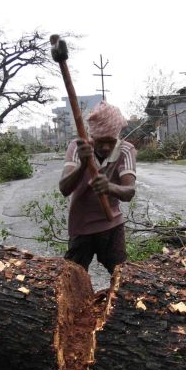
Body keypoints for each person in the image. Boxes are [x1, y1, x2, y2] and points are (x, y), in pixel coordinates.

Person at [58, 101, 137, 274]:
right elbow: (64, 188)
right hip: (81, 226)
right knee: (72, 277)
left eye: (111, 141)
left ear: (117, 137)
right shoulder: (78, 148)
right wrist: (83, 165)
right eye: (100, 141)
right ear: (92, 136)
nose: (106, 147)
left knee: (122, 277)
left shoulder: (125, 150)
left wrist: (109, 187)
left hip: (112, 226)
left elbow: (129, 192)